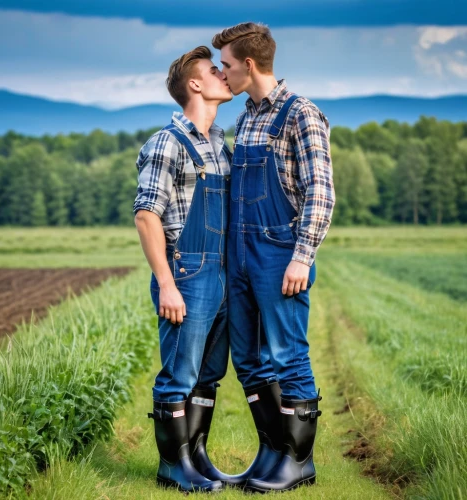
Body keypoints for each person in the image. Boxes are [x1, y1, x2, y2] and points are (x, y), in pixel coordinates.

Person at [211, 22, 335, 492]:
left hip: (280, 253)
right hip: (240, 254)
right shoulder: (246, 117)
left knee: (288, 355)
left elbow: (320, 193)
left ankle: (298, 462)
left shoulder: (299, 113)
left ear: (248, 64)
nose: (222, 74)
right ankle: (272, 451)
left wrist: (303, 257)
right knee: (247, 358)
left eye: (225, 65)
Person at [133, 46, 233, 493]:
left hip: (223, 271)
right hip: (187, 272)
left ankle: (196, 458)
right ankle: (173, 467)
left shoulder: (218, 144)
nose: (223, 75)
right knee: (179, 372)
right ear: (195, 85)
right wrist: (168, 285)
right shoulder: (167, 142)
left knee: (208, 373)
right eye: (214, 71)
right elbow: (146, 215)